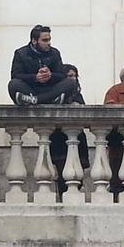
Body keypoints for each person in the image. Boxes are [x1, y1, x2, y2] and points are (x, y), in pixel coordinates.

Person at [8, 25, 76, 106]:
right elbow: (16, 75)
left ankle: (36, 100)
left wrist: (50, 75)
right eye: (45, 40)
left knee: (71, 82)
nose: (48, 43)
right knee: (13, 84)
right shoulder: (21, 53)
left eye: (49, 40)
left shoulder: (55, 53)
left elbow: (61, 75)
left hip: (50, 90)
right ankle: (49, 100)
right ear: (34, 41)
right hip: (30, 89)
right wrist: (35, 77)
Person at [49, 64, 90, 195]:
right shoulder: (54, 95)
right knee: (62, 173)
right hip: (59, 138)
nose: (72, 79)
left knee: (78, 174)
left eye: (74, 76)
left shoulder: (78, 95)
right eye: (69, 76)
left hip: (77, 137)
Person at [103, 63, 124, 194]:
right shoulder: (114, 91)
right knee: (116, 164)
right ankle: (116, 189)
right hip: (118, 135)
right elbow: (109, 111)